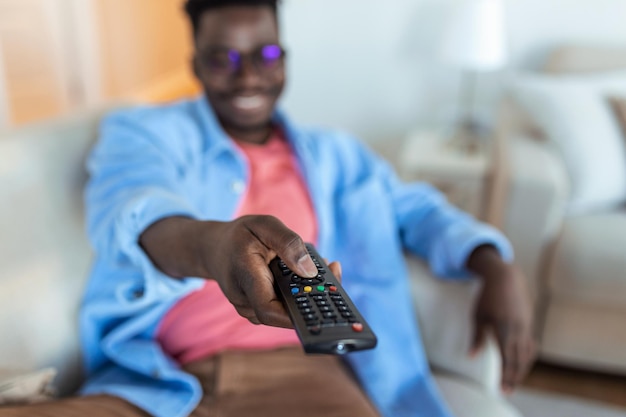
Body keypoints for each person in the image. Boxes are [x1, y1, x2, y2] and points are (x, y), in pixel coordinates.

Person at [0, 1, 535, 416]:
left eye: (265, 54)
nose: (248, 76)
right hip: (153, 380)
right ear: (196, 65)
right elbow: (139, 207)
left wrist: (495, 263)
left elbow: (417, 209)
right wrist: (212, 246)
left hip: (301, 373)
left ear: (285, 58)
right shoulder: (144, 133)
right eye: (222, 58)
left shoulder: (336, 156)